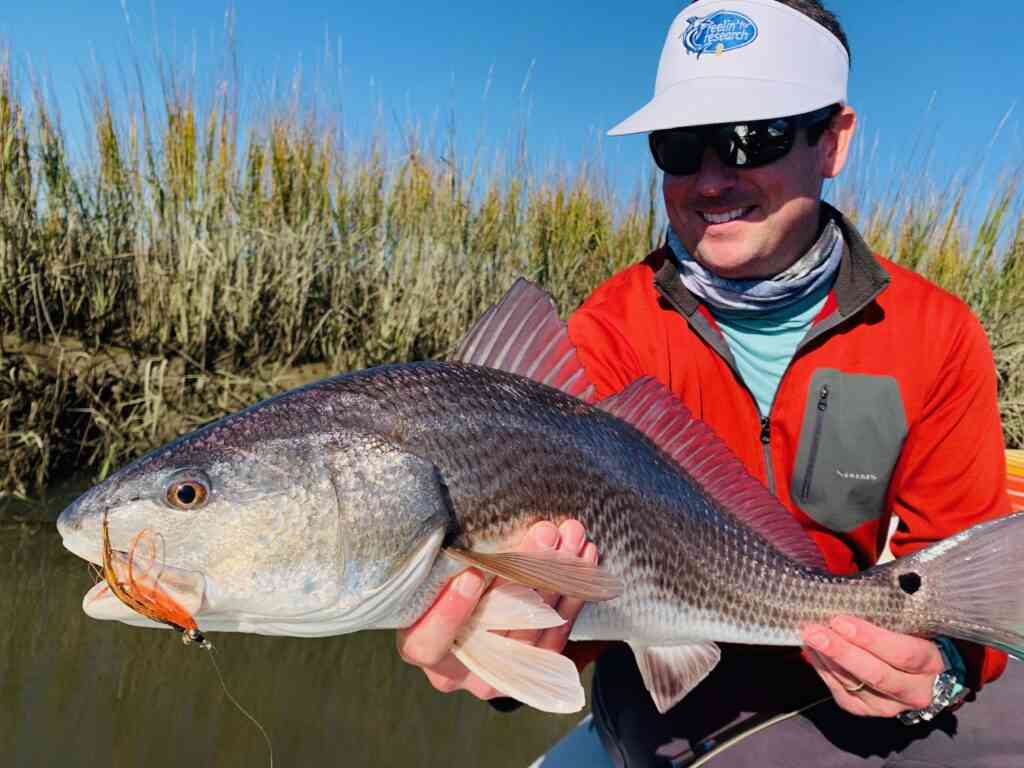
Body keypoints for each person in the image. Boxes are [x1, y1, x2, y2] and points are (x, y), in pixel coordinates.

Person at [397, 1, 1022, 765]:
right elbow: (579, 601)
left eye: (754, 137)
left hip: (853, 674)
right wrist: (494, 656)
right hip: (675, 700)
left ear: (833, 140)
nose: (713, 177)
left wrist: (945, 672)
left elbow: (960, 575)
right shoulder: (608, 336)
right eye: (681, 145)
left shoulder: (937, 331)